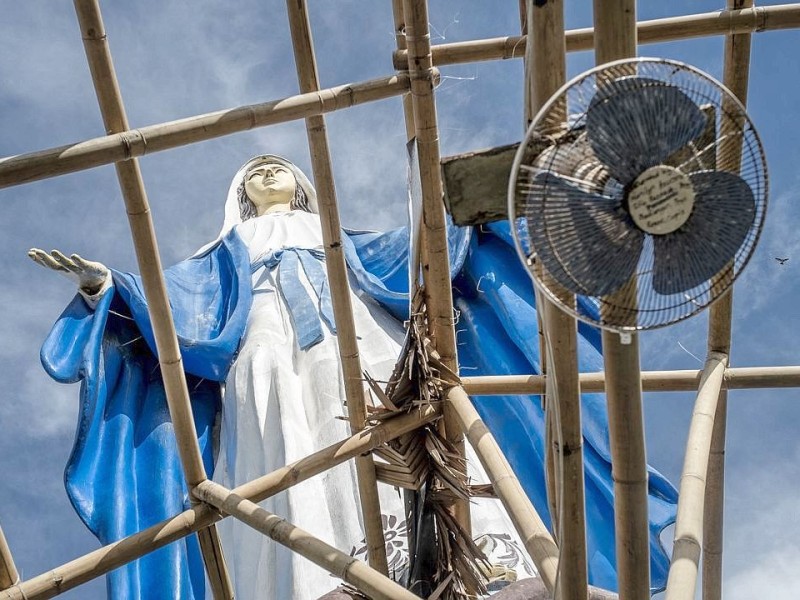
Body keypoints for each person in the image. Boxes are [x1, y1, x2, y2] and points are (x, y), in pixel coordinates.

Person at [30, 155, 678, 599]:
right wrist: (109, 288)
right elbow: (174, 311)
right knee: (285, 444)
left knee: (406, 425)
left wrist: (471, 212)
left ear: (306, 187)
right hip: (262, 347)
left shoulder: (342, 237)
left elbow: (422, 255)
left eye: (279, 166)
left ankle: (478, 568)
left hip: (361, 331)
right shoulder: (219, 259)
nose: (267, 168)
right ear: (238, 194)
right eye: (253, 170)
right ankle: (315, 579)